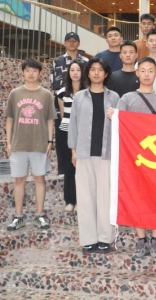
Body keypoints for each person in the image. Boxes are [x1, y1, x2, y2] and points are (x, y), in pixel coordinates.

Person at [109, 57, 156, 258]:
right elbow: (120, 125)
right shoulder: (127, 99)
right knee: (137, 197)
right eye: (143, 70)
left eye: (151, 70)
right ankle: (141, 239)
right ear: (137, 73)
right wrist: (115, 116)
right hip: (135, 158)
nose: (147, 74)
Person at [68, 58, 120, 253]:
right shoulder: (79, 97)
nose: (96, 73)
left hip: (107, 154)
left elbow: (121, 124)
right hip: (84, 153)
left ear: (106, 74)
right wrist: (73, 150)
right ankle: (89, 239)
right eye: (93, 69)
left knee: (105, 198)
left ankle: (105, 238)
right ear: (88, 73)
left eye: (100, 70)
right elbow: (73, 124)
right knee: (85, 197)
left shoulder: (114, 97)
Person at [5, 59, 55, 231]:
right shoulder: (15, 93)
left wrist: (50, 141)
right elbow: (9, 118)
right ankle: (18, 217)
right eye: (27, 70)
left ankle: (39, 215)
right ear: (22, 72)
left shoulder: (46, 94)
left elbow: (50, 120)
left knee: (39, 178)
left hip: (39, 143)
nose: (31, 73)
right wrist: (8, 142)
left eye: (34, 70)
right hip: (18, 143)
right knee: (19, 179)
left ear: (40, 73)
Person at [50, 32, 88, 175]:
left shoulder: (85, 61)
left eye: (74, 41)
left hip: (83, 101)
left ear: (79, 43)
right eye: (69, 41)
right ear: (65, 43)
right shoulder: (58, 61)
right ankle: (63, 169)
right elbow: (54, 82)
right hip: (63, 101)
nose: (72, 43)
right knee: (62, 137)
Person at [56, 61, 88, 213]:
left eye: (78, 70)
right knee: (69, 168)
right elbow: (63, 115)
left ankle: (82, 201)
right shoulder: (62, 93)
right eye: (72, 70)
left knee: (82, 168)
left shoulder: (88, 91)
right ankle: (70, 200)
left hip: (84, 133)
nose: (75, 73)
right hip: (66, 132)